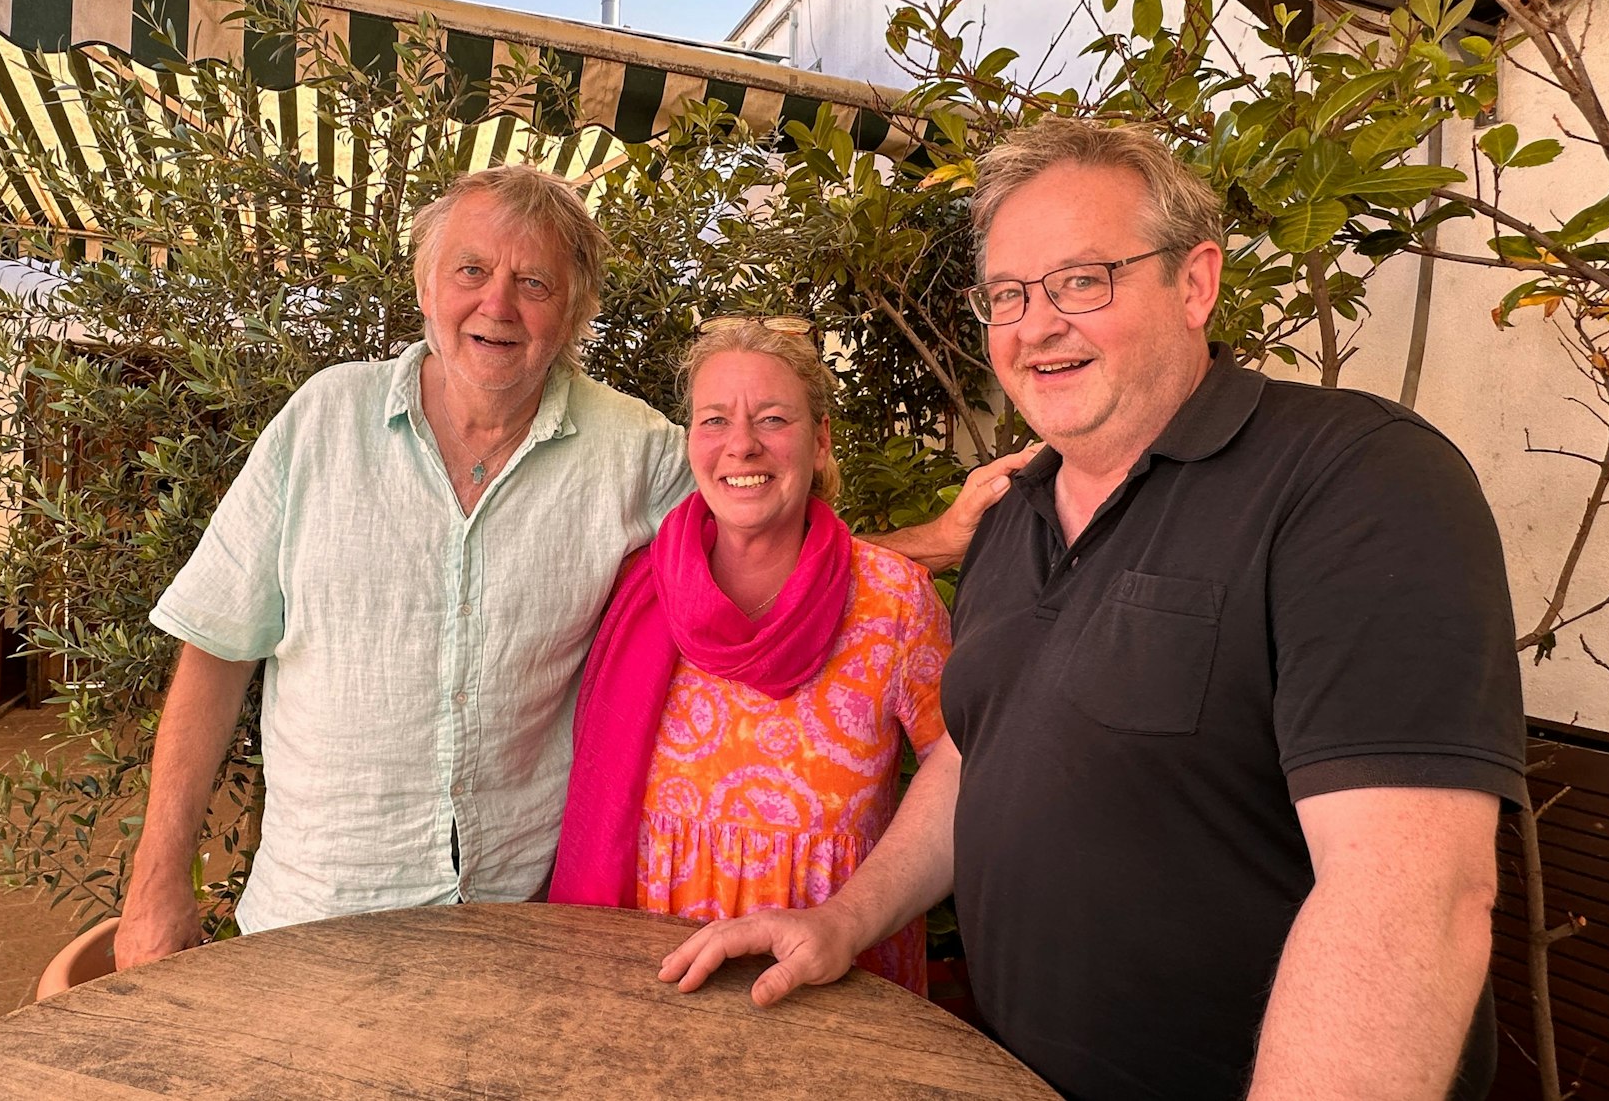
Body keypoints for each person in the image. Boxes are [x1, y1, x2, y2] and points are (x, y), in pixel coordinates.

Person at [660, 118, 1527, 1101]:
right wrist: (841, 921)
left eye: (1082, 281)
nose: (1036, 325)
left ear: (1193, 282)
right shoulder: (1011, 518)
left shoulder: (1351, 481)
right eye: (1007, 296)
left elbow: (1406, 902)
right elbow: (975, 758)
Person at [119, 166, 1034, 969]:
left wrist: (933, 540)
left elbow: (761, 513)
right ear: (427, 284)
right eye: (472, 270)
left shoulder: (626, 447)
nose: (497, 305)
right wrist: (158, 888)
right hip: (318, 916)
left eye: (534, 283)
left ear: (573, 313)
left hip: (520, 925)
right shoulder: (321, 423)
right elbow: (214, 654)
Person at [548, 319, 959, 994]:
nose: (741, 444)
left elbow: (966, 766)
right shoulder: (635, 597)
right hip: (650, 992)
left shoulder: (895, 603)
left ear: (820, 440)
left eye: (772, 418)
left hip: (838, 990)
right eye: (715, 420)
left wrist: (850, 915)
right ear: (691, 443)